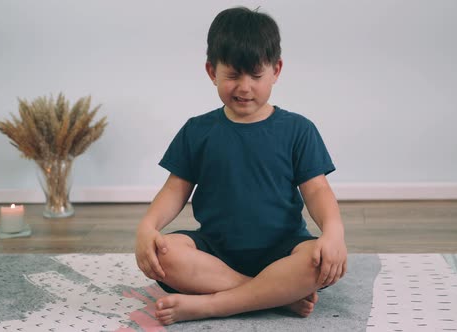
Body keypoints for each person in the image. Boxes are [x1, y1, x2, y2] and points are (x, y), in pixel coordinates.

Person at [135, 6, 347, 326]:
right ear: (212, 71)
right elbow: (174, 189)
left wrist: (334, 233)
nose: (245, 87)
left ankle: (213, 304)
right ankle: (273, 294)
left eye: (256, 75)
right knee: (164, 253)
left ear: (276, 70)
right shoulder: (197, 130)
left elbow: (317, 189)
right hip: (215, 252)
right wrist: (147, 227)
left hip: (283, 248)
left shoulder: (298, 130)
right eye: (233, 75)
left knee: (318, 261)